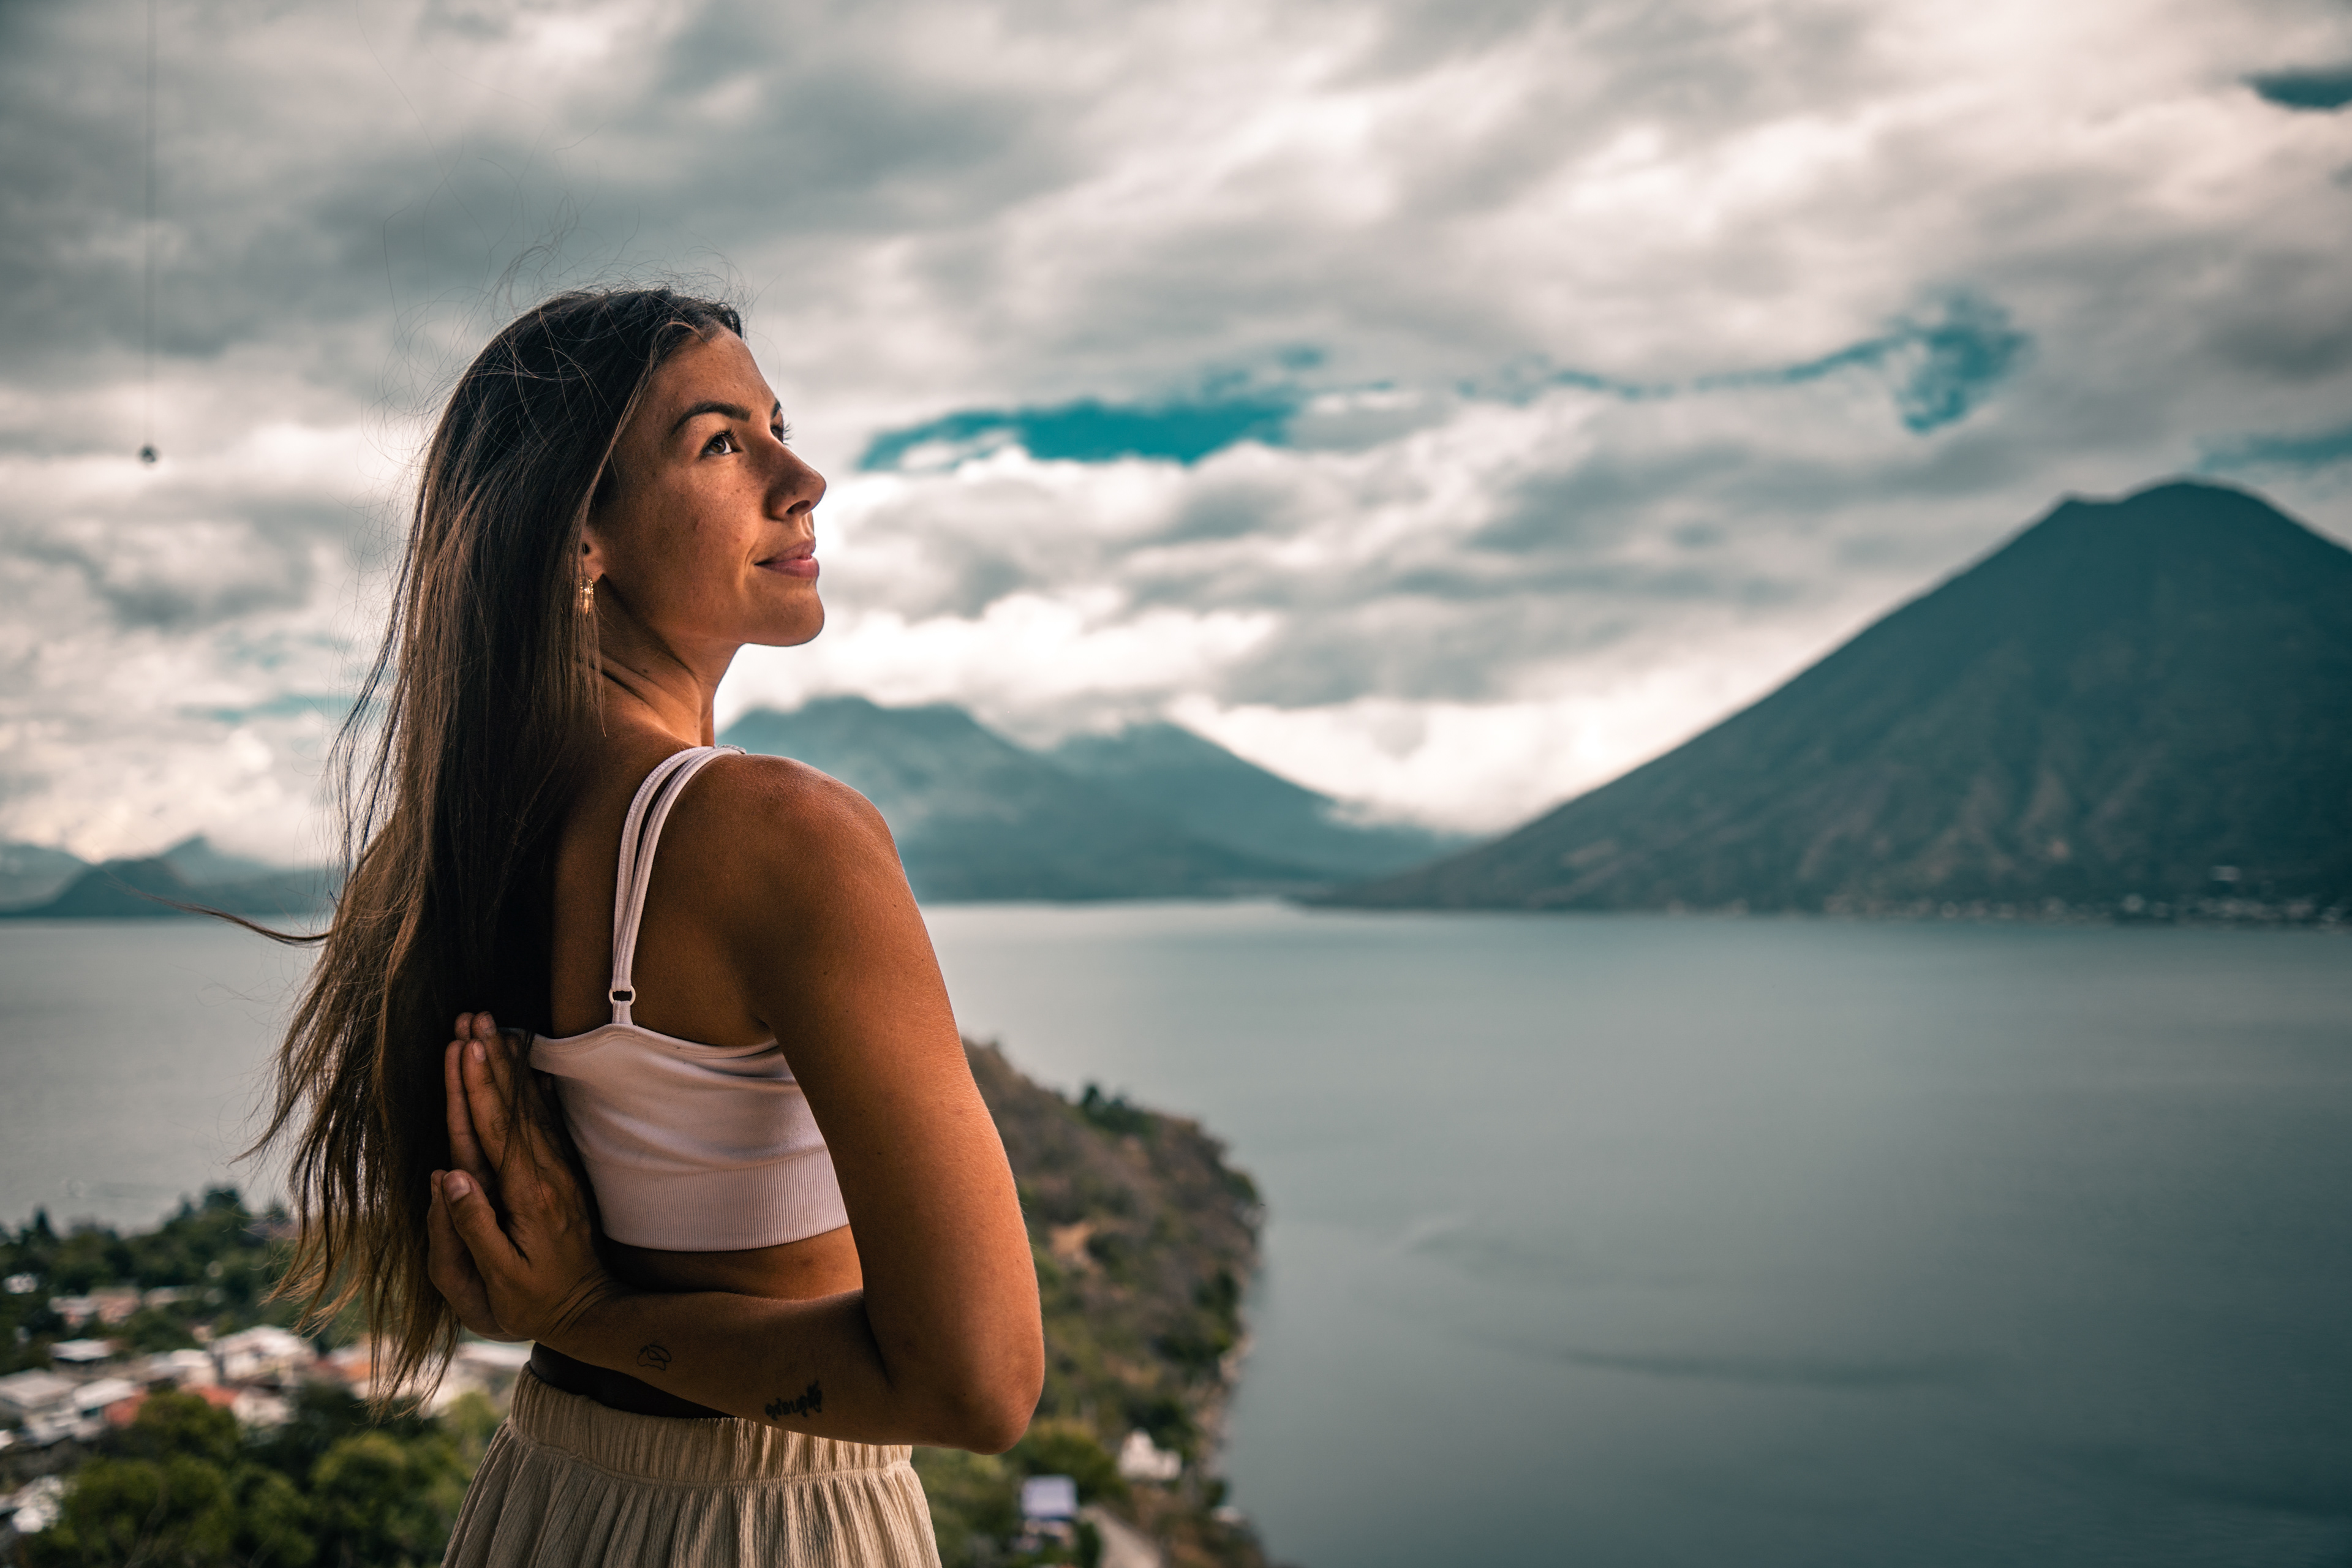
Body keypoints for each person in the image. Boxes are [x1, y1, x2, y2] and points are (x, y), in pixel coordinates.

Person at [255, 288, 1044, 1566]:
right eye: (724, 443)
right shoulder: (779, 834)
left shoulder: (456, 851)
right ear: (583, 539)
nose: (807, 478)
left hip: (546, 1497)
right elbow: (977, 1381)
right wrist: (590, 1308)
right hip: (769, 1521)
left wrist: (574, 1319)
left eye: (779, 427)